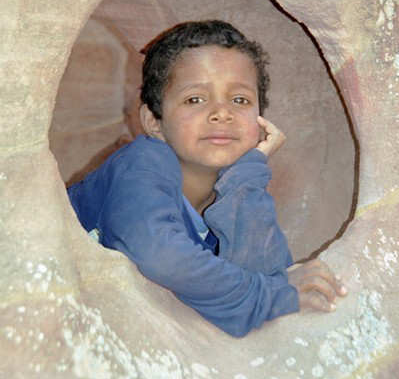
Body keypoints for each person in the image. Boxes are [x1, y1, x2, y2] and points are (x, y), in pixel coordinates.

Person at [67, 20, 347, 337]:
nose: (221, 113)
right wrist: (272, 295)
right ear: (154, 122)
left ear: (260, 120)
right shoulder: (141, 164)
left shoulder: (233, 189)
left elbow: (268, 272)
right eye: (195, 99)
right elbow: (164, 258)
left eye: (239, 100)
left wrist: (248, 174)